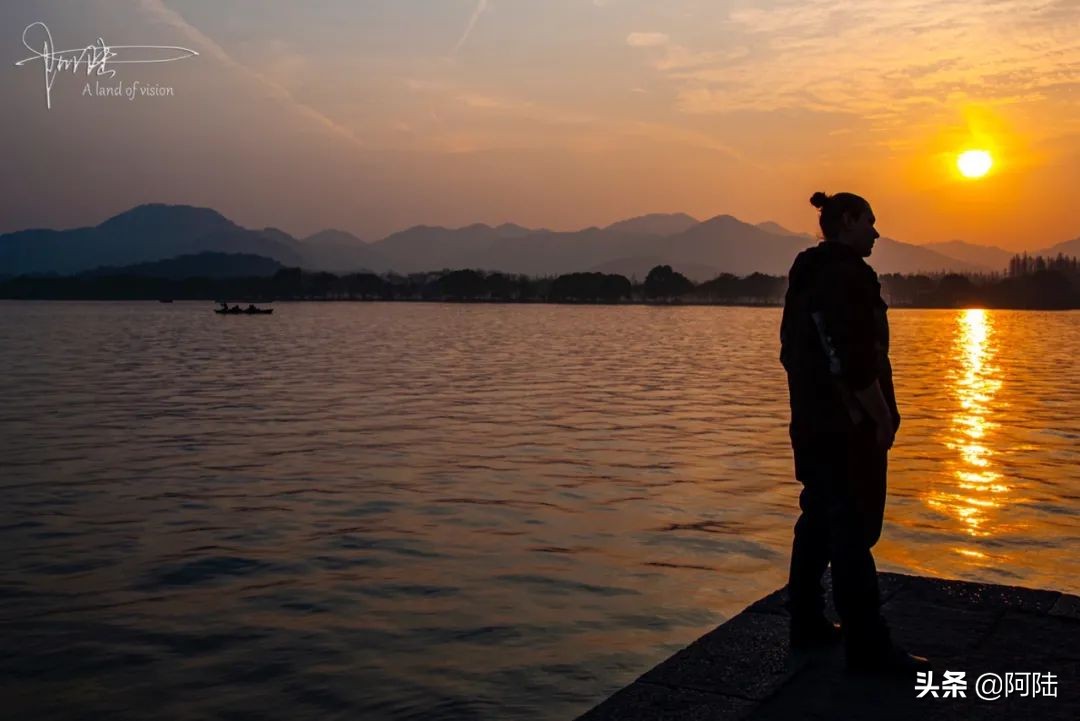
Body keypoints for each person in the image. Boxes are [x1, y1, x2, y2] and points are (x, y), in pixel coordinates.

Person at [779, 191, 931, 675]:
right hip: (847, 429)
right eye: (870, 221)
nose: (876, 232)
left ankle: (805, 620)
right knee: (852, 531)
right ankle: (868, 645)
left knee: (818, 518)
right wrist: (882, 416)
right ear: (847, 221)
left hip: (810, 423)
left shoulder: (806, 275)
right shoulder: (846, 278)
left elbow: (796, 354)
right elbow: (853, 360)